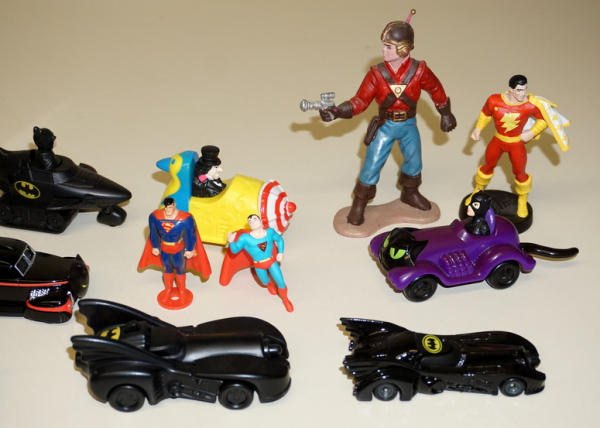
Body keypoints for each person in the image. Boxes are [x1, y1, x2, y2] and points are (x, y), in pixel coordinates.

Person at [320, 10, 456, 226]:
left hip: (409, 124)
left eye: (388, 46)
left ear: (403, 48)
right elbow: (360, 101)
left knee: (414, 160)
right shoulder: (376, 74)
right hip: (385, 126)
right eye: (384, 45)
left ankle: (410, 193)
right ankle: (359, 203)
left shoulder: (419, 71)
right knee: (372, 163)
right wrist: (337, 111)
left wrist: (445, 113)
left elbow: (436, 88)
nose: (383, 50)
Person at [466, 74, 570, 218]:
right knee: (487, 166)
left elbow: (544, 120)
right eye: (519, 90)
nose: (523, 93)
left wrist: (532, 132)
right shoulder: (494, 100)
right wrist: (478, 129)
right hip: (498, 140)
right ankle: (478, 190)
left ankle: (522, 198)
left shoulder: (529, 105)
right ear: (511, 89)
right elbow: (485, 114)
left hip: (516, 143)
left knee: (520, 172)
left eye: (525, 89)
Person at [138, 197, 211, 309]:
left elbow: (191, 235)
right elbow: (153, 232)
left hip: (178, 249)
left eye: (170, 207)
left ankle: (182, 290)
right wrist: (155, 246)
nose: (168, 210)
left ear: (174, 205)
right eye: (166, 208)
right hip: (164, 248)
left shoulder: (185, 219)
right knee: (167, 268)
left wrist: (190, 249)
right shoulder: (155, 217)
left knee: (180, 268)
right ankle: (168, 289)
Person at [227, 214, 293, 312]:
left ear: (261, 221)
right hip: (258, 265)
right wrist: (231, 242)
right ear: (249, 225)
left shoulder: (270, 232)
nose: (252, 221)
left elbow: (279, 240)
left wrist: (280, 252)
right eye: (250, 221)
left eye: (254, 219)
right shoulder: (245, 238)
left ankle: (285, 299)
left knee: (281, 282)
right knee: (264, 281)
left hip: (271, 261)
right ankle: (269, 285)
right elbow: (235, 250)